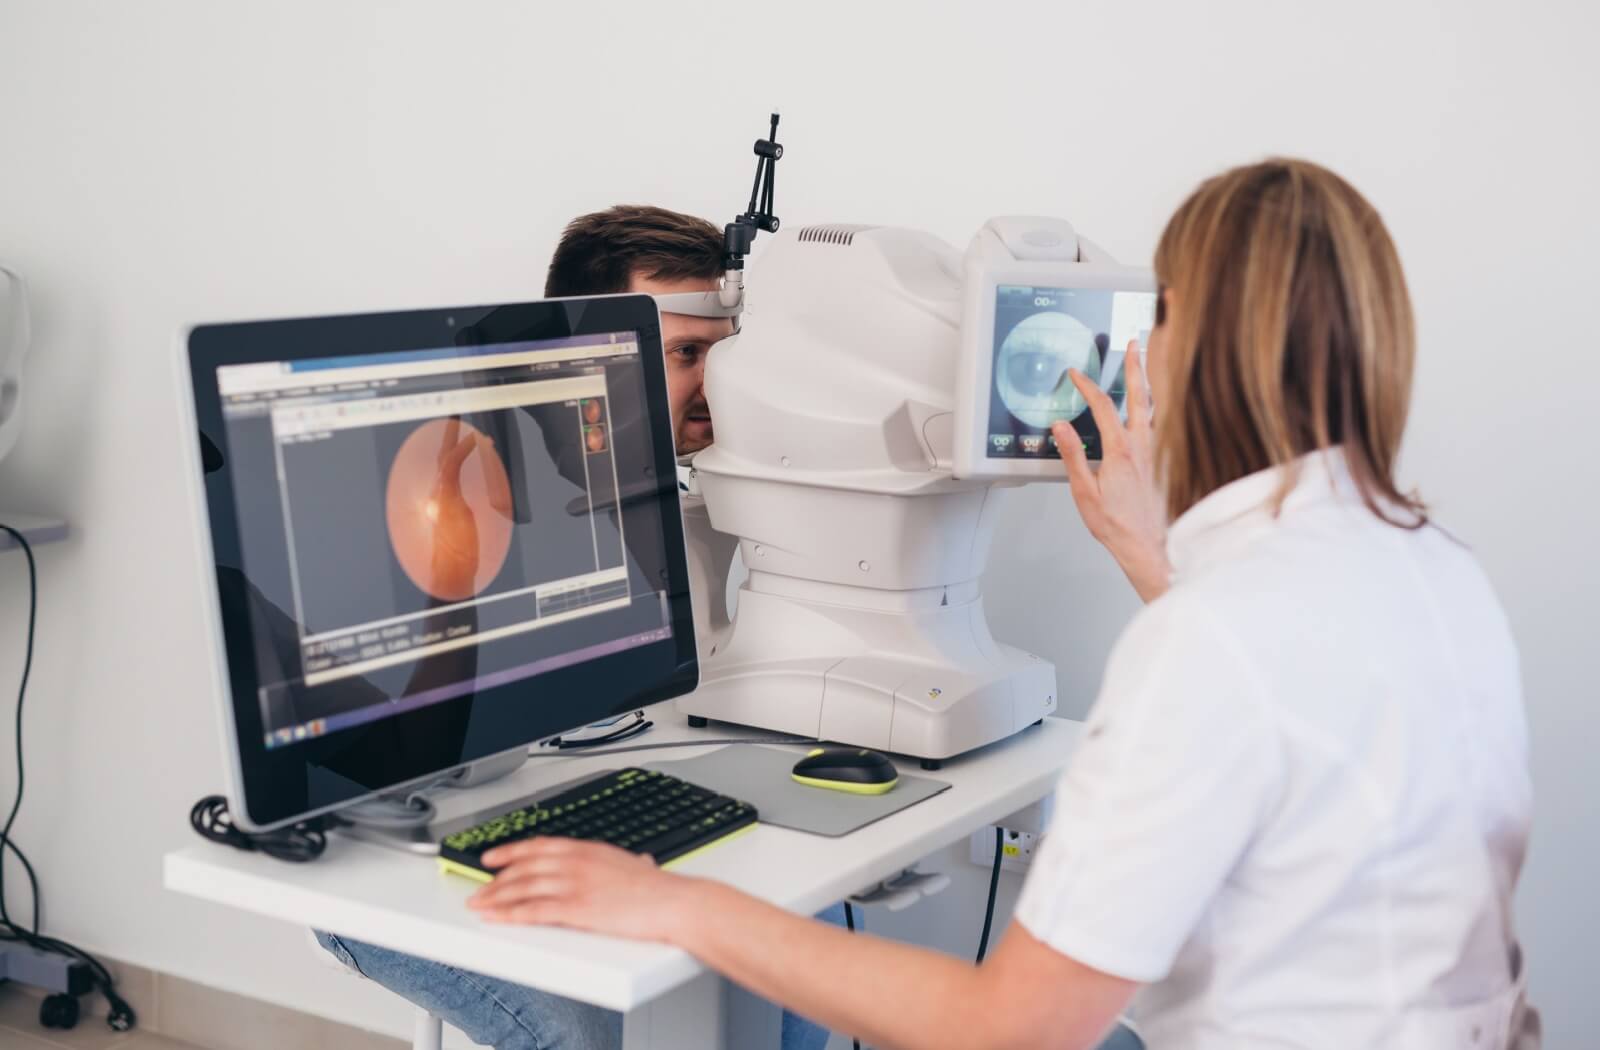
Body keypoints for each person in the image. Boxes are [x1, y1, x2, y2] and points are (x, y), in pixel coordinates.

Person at [457, 159, 1538, 1049]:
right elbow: (1293, 694)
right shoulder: (1427, 567)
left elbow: (1010, 1028)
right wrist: (1150, 559)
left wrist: (676, 903)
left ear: (1194, 353)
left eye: (1151, 318)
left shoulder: (1213, 646)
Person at [316, 205, 850, 1050]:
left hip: (579, 803)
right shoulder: (453, 473)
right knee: (602, 1031)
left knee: (809, 961)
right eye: (685, 355)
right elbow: (373, 747)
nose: (718, 385)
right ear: (585, 350)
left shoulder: (671, 484)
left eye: (727, 353)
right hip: (391, 859)